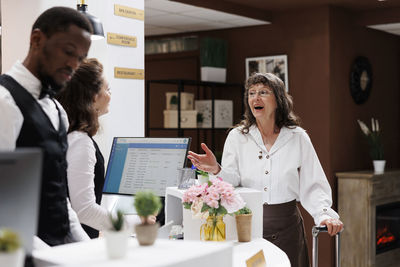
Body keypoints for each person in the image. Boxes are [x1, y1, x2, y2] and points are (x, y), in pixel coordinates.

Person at [188, 73, 343, 267]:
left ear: (278, 100)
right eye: (251, 93)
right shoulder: (237, 137)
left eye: (263, 92)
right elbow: (232, 182)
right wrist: (216, 169)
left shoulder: (298, 138)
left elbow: (313, 184)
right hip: (247, 227)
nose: (255, 98)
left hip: (289, 229)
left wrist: (324, 214)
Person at [0, 7, 92, 246]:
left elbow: (59, 197)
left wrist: (84, 247)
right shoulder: (4, 102)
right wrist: (49, 256)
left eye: (80, 58)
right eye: (68, 52)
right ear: (37, 39)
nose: (73, 64)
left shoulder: (56, 110)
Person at [57, 58, 156, 238]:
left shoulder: (67, 134)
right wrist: (135, 222)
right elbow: (84, 209)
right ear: (93, 96)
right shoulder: (80, 141)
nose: (110, 95)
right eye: (107, 89)